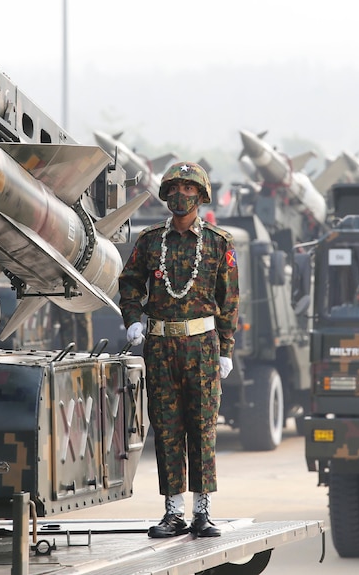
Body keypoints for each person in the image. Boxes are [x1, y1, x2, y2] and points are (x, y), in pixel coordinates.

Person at [118, 161, 239, 538]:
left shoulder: (219, 243)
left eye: (189, 190)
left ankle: (203, 511)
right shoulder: (151, 240)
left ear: (201, 197)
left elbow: (230, 299)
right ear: (165, 194)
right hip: (159, 347)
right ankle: (173, 512)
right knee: (167, 429)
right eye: (174, 189)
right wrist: (133, 318)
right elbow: (130, 282)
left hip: (202, 348)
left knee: (201, 428)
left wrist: (227, 349)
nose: (180, 196)